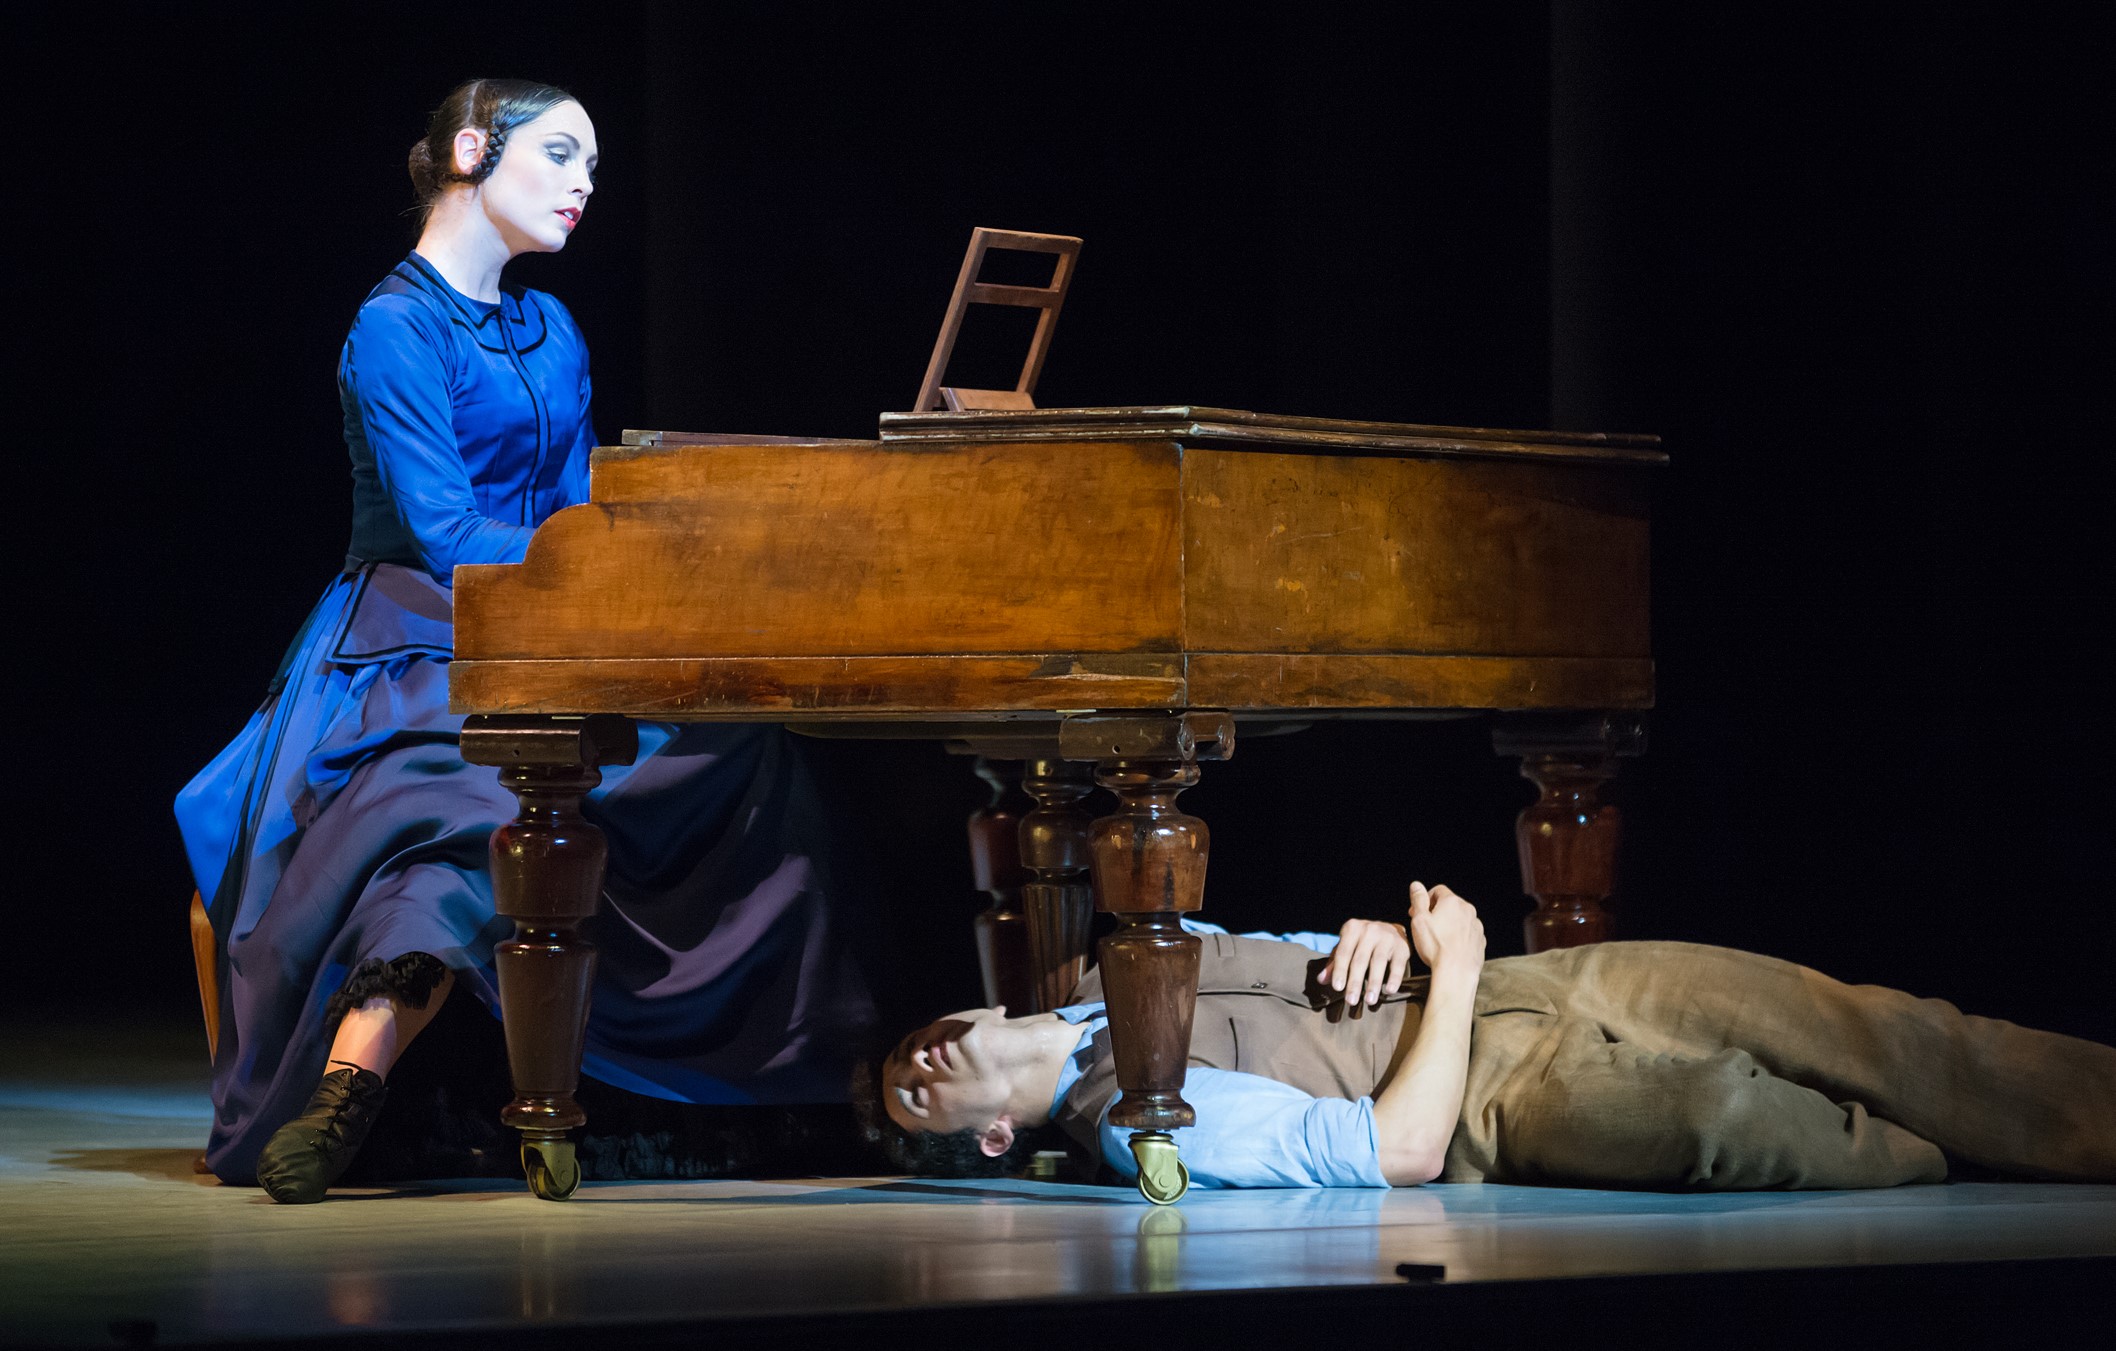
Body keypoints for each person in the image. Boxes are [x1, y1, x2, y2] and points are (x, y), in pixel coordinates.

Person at [176, 79, 874, 1203]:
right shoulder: (392, 325)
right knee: (452, 809)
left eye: (592, 162)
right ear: (469, 151)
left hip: (548, 623)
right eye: (559, 153)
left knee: (746, 748)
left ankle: (777, 1083)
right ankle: (350, 1087)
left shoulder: (553, 330)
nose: (585, 182)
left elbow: (570, 499)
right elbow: (445, 530)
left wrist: (645, 557)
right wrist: (584, 560)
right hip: (410, 635)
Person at [865, 883, 2115, 1190]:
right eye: (908, 1098)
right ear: (984, 1136)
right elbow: (1393, 1149)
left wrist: (1386, 939)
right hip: (1484, 1095)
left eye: (915, 1043)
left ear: (969, 1007)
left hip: (1522, 977)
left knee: (1861, 1024)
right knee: (1730, 1118)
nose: (914, 1062)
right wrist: (1454, 972)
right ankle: (1970, 1162)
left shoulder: (1125, 947)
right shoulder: (1122, 1116)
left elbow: (1297, 957)